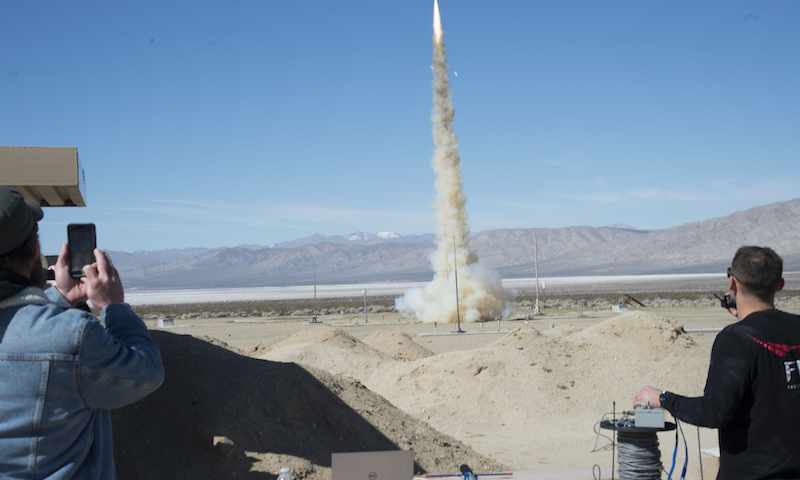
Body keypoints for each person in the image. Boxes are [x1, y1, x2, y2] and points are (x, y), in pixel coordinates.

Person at [0, 186, 164, 479]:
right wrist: (112, 306)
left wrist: (59, 297)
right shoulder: (73, 337)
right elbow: (146, 371)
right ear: (34, 249)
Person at [634, 246, 800, 480]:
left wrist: (663, 398)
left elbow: (714, 412)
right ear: (780, 285)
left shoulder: (734, 339)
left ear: (732, 283)